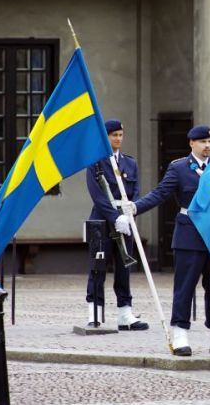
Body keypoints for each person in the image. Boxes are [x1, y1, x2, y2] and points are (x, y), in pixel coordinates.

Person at [135, 125, 210, 356]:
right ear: (191, 143)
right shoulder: (179, 168)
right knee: (185, 287)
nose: (207, 146)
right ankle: (180, 333)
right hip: (189, 234)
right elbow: (160, 193)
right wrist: (134, 208)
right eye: (202, 142)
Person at [85, 119, 148, 331]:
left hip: (125, 221)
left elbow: (136, 191)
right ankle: (95, 310)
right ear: (105, 137)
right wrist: (115, 217)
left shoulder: (130, 163)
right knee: (98, 267)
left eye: (120, 135)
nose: (118, 139)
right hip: (102, 221)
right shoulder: (96, 162)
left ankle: (125, 313)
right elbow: (98, 196)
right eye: (114, 135)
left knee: (124, 267)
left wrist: (130, 213)